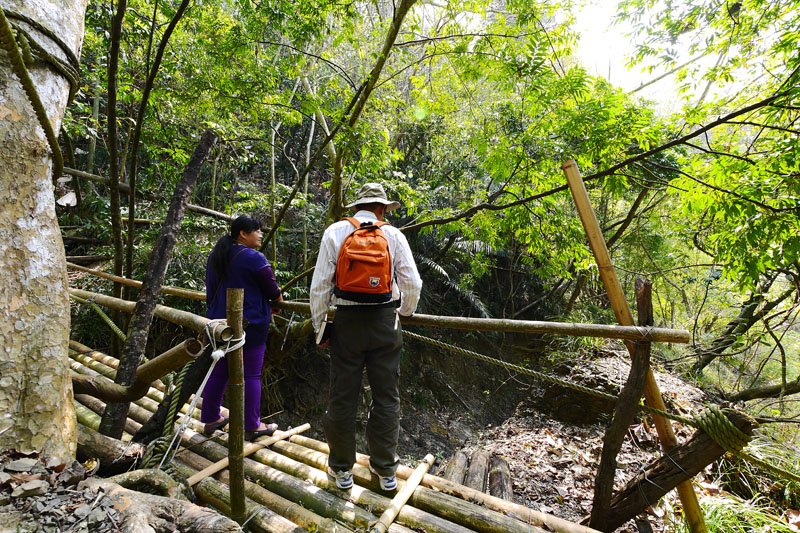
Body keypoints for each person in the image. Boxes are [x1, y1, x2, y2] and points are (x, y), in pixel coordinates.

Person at [310, 183, 422, 491]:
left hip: (346, 324)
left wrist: (320, 328)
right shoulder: (394, 235)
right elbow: (412, 283)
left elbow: (319, 287)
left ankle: (341, 469)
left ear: (356, 207)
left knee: (343, 396)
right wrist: (405, 313)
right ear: (383, 208)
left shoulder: (335, 232)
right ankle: (385, 470)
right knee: (386, 396)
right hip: (385, 321)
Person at [201, 215, 283, 441]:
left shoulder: (217, 256)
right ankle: (252, 425)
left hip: (218, 324)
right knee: (252, 375)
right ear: (243, 234)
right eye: (257, 230)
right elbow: (274, 292)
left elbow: (210, 291)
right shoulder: (254, 258)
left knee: (219, 371)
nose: (260, 235)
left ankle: (210, 418)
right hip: (249, 325)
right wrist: (276, 302)